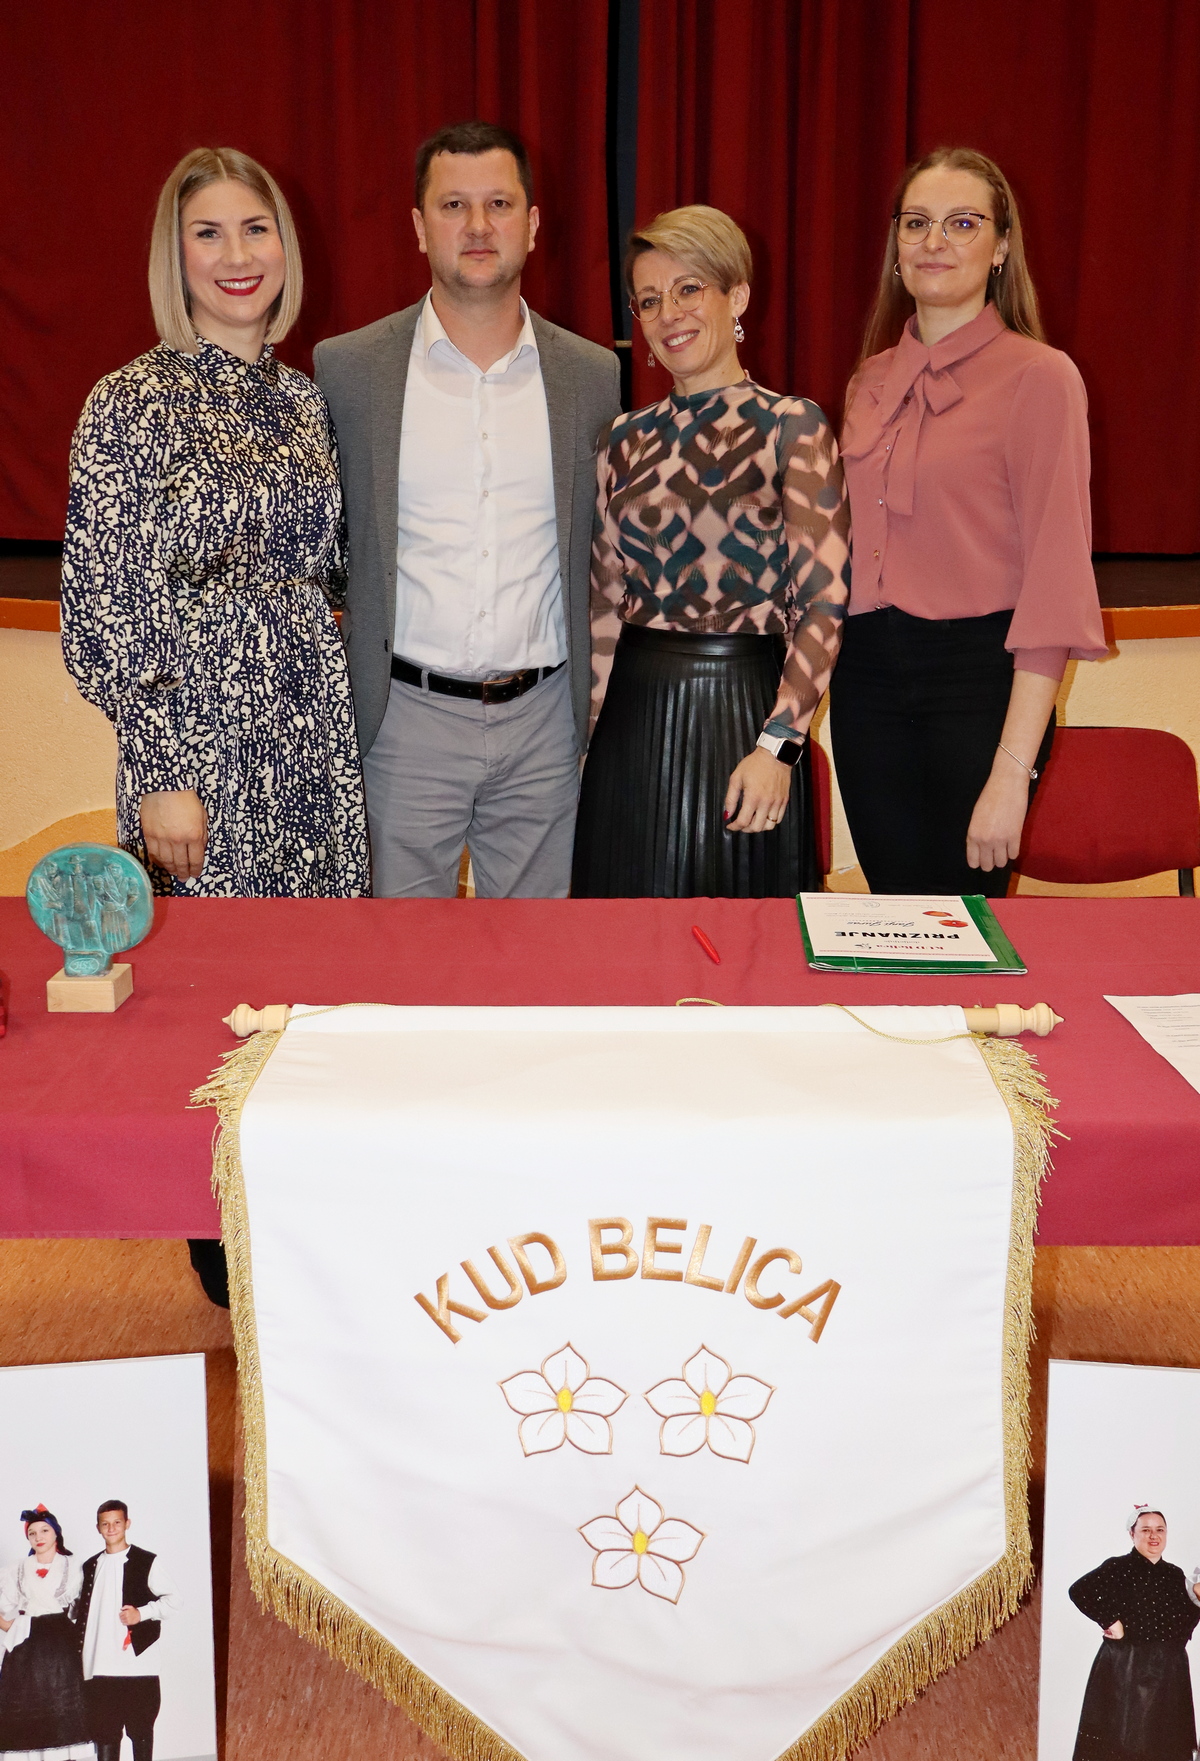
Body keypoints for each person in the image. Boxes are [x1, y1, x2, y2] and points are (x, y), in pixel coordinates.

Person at [314, 121, 621, 898]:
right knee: (396, 957)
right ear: (420, 227)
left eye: (499, 204)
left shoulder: (592, 376)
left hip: (544, 724)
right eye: (454, 205)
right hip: (403, 723)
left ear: (533, 223)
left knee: (538, 958)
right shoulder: (349, 370)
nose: (478, 225)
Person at [61, 147, 369, 899]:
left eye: (255, 228)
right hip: (199, 741)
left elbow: (339, 568)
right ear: (175, 256)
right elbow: (105, 606)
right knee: (212, 957)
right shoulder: (130, 401)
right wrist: (161, 771)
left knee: (319, 952)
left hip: (313, 726)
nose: (237, 256)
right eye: (208, 233)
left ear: (284, 245)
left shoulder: (303, 400)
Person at [834, 147, 1106, 896]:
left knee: (961, 929)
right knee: (895, 919)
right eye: (916, 222)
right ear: (895, 245)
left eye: (962, 223)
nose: (935, 241)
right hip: (866, 682)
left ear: (1001, 246)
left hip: (978, 682)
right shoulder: (868, 381)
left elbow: (1055, 583)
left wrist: (1013, 769)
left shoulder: (1040, 377)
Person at [572, 205, 850, 898]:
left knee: (744, 938)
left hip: (745, 715)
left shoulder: (793, 425)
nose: (669, 313)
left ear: (738, 296)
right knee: (622, 928)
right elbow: (603, 607)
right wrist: (587, 746)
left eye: (689, 288)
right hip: (631, 718)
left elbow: (823, 603)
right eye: (649, 300)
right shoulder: (620, 440)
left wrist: (780, 745)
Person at [1069, 1505, 1199, 1760]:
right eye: (1146, 1530)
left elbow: (1182, 1626)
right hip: (1126, 1668)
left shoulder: (1174, 1574)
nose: (1154, 1536)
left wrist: (1196, 1599)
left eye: (1159, 1530)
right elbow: (1079, 1590)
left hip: (1167, 1672)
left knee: (1164, 1742)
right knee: (1126, 1742)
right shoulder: (1117, 1567)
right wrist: (1110, 1620)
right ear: (1132, 1534)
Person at [76, 1501, 178, 1761]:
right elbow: (79, 1610)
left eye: (117, 1522)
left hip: (137, 1667)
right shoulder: (90, 1567)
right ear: (98, 1527)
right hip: (98, 1668)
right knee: (105, 1735)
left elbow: (174, 1600)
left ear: (127, 1524)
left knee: (141, 1732)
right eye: (105, 1523)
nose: (111, 1528)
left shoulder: (146, 1561)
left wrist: (141, 1613)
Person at [0, 1506, 91, 1759]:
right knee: (26, 1702)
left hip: (61, 1644)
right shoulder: (18, 1569)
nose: (38, 1537)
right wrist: (10, 1626)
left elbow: (83, 1608)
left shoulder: (73, 1566)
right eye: (32, 1533)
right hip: (26, 1647)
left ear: (56, 1533)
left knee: (62, 1700)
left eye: (44, 1530)